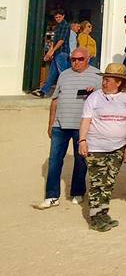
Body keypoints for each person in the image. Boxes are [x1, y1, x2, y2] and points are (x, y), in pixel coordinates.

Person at [36, 47, 99, 209]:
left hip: (82, 127)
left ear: (88, 59)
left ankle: (78, 191)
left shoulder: (97, 76)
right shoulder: (64, 75)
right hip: (60, 125)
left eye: (80, 59)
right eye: (73, 59)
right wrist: (50, 124)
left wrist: (94, 93)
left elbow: (103, 101)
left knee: (81, 160)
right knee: (54, 160)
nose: (76, 62)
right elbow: (55, 100)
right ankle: (51, 196)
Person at [78, 62, 126, 231]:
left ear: (119, 82)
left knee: (109, 180)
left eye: (108, 80)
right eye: (104, 79)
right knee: (97, 181)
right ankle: (95, 217)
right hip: (96, 147)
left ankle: (103, 212)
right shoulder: (95, 97)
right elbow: (86, 120)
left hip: (118, 147)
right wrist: (82, 140)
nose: (104, 82)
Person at [34, 9, 72, 97]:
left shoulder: (65, 26)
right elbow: (54, 41)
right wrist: (50, 52)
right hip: (57, 52)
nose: (58, 19)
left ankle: (67, 91)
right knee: (52, 73)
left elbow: (61, 40)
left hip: (62, 52)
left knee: (63, 73)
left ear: (63, 16)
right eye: (56, 17)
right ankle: (44, 91)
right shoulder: (58, 26)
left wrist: (53, 51)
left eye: (59, 17)